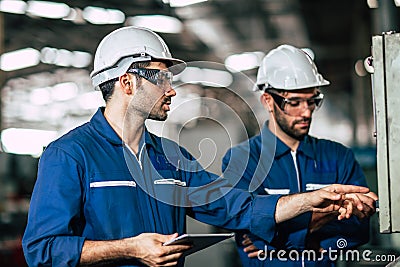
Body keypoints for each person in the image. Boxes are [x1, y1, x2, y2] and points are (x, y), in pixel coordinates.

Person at [22, 28, 370, 267]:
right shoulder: (70, 155)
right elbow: (42, 250)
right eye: (161, 77)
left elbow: (235, 206)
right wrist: (129, 249)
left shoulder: (171, 159)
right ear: (127, 82)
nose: (171, 89)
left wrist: (305, 200)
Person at [222, 44, 378, 267]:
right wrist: (329, 216)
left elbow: (358, 232)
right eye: (294, 103)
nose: (306, 112)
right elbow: (250, 235)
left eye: (312, 101)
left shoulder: (338, 156)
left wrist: (282, 235)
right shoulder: (241, 160)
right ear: (268, 101)